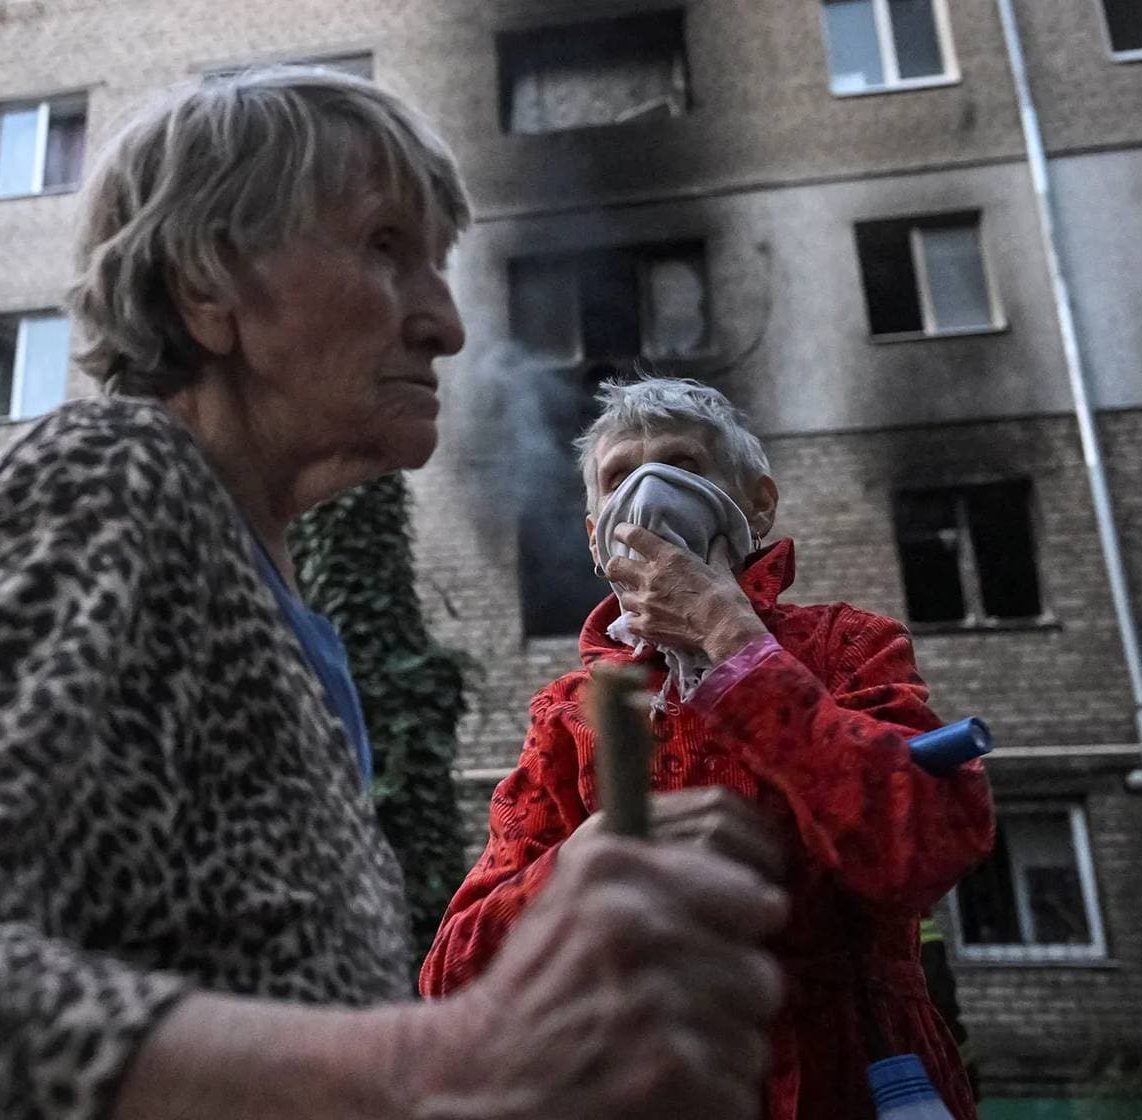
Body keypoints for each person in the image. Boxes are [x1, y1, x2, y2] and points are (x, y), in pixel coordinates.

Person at [0, 69, 787, 1120]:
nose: (445, 323)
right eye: (384, 246)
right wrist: (445, 1062)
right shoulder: (117, 474)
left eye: (439, 265)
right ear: (210, 288)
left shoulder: (277, 609)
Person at [421, 377, 997, 1120]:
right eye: (619, 476)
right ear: (596, 538)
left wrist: (735, 643)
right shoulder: (573, 716)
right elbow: (453, 974)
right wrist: (583, 863)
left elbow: (920, 848)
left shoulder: (848, 648)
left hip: (848, 1079)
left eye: (683, 464)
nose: (651, 489)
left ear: (758, 504)